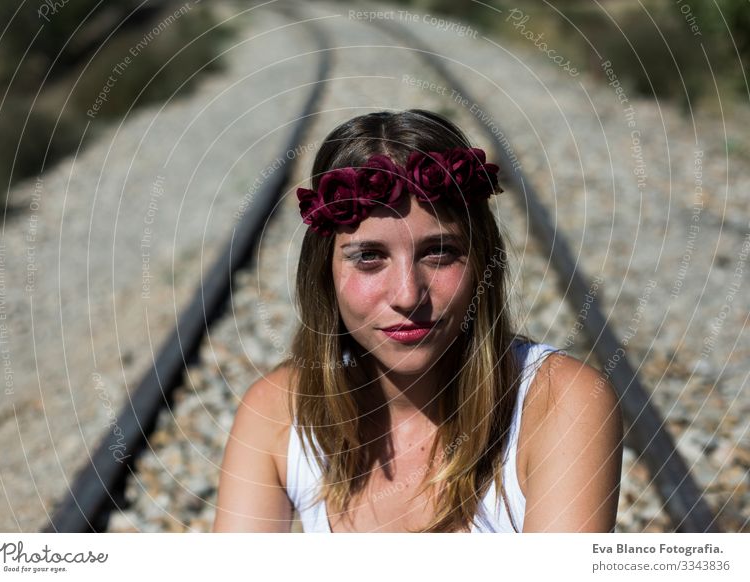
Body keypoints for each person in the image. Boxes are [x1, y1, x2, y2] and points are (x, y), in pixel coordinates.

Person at [212, 109, 623, 533]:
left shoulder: (559, 404)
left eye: (439, 252)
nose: (408, 295)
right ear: (325, 273)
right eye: (369, 257)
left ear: (483, 262)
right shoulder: (275, 414)